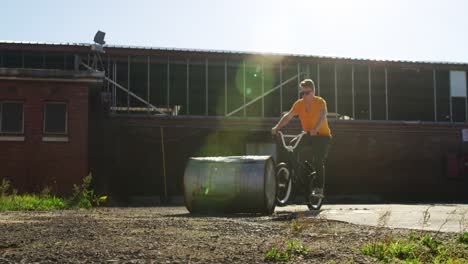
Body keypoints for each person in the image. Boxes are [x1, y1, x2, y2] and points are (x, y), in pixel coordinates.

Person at [271, 78, 332, 197]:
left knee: (318, 159)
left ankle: (319, 188)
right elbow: (288, 117)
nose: (304, 95)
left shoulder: (320, 102)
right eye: (302, 93)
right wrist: (277, 127)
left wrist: (315, 128)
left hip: (322, 136)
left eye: (307, 93)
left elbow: (322, 116)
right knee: (291, 148)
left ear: (313, 92)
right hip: (308, 134)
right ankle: (294, 172)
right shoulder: (299, 104)